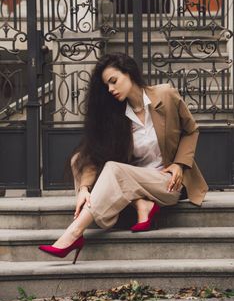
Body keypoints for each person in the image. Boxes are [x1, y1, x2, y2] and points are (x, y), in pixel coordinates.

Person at [39, 53, 208, 264]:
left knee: (114, 169)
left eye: (113, 81)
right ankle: (140, 204)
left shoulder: (165, 95)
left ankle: (74, 234)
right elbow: (95, 154)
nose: (110, 89)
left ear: (129, 73)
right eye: (107, 86)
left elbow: (191, 130)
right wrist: (83, 188)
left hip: (167, 182)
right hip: (134, 183)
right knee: (80, 160)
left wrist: (180, 164)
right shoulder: (116, 117)